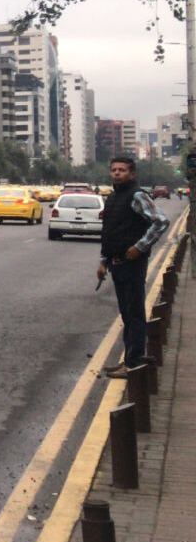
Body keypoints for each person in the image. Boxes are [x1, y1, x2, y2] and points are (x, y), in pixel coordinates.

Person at [97, 156, 170, 378]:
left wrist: (140, 246)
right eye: (114, 169)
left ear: (132, 173)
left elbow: (161, 221)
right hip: (116, 263)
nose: (117, 173)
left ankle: (134, 363)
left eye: (122, 170)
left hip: (132, 264)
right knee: (127, 314)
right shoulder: (113, 198)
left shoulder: (136, 195)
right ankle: (130, 359)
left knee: (134, 314)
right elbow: (110, 232)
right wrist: (103, 261)